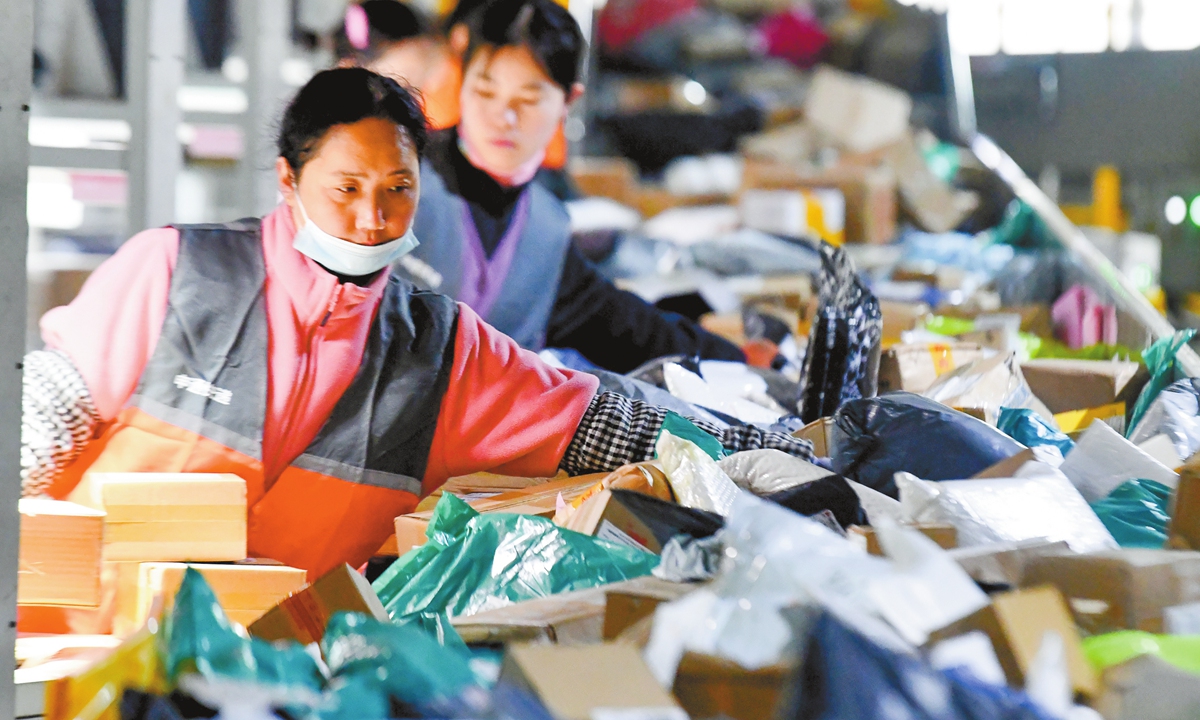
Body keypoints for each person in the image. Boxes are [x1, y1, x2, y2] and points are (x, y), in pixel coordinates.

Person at [21, 68, 812, 580]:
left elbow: (613, 425)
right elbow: (37, 427)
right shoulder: (173, 273)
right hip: (85, 658)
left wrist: (786, 458)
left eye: (396, 188)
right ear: (290, 182)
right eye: (346, 188)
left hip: (273, 678)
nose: (371, 218)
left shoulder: (443, 351)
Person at [396, 0, 745, 372]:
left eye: (528, 99)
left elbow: (631, 329)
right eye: (485, 92)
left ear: (567, 102)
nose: (503, 117)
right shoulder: (398, 176)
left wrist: (735, 358)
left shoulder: (545, 234)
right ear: (461, 83)